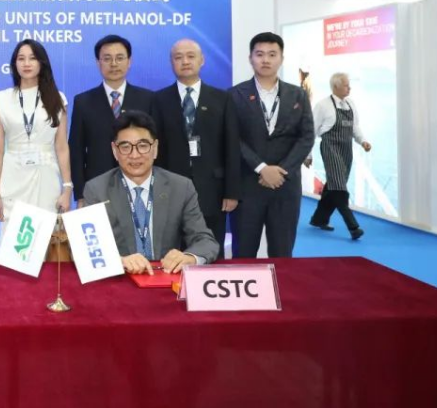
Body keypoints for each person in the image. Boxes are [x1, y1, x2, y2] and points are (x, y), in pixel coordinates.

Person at [83, 111, 218, 274]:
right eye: (125, 147)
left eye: (142, 146)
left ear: (155, 148)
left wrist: (189, 257)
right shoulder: (96, 189)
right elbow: (85, 248)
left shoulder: (181, 187)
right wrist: (118, 261)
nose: (134, 155)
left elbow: (205, 240)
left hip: (165, 277)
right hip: (121, 278)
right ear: (114, 151)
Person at [153, 39, 240, 257]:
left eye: (191, 56)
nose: (185, 61)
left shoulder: (222, 98)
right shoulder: (158, 100)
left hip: (213, 190)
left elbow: (231, 147)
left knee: (211, 250)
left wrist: (231, 192)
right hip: (169, 189)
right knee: (172, 252)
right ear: (171, 63)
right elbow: (155, 149)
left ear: (202, 60)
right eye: (178, 57)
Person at [230, 32, 314, 258]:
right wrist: (261, 168)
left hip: (285, 186)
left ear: (281, 59)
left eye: (272, 54)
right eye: (259, 54)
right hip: (248, 185)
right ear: (250, 58)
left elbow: (307, 137)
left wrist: (282, 171)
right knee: (243, 253)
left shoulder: (298, 95)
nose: (265, 60)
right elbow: (232, 138)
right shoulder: (235, 95)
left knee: (283, 253)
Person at [0, 39, 72, 229]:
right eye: (21, 59)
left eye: (32, 58)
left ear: (42, 63)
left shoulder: (57, 98)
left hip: (46, 178)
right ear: (14, 64)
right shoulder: (1, 99)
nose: (26, 63)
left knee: (47, 237)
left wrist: (67, 188)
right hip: (12, 178)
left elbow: (61, 147)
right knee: (14, 240)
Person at [69, 34, 155, 206]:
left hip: (140, 185)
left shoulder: (148, 99)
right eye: (107, 59)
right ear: (98, 63)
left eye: (119, 58)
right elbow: (76, 151)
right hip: (97, 188)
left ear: (129, 61)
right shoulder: (83, 101)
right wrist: (80, 194)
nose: (114, 64)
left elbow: (155, 146)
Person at [309, 72, 372, 240]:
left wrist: (363, 141)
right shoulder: (322, 105)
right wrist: (307, 155)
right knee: (339, 188)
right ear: (336, 86)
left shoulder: (350, 104)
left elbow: (355, 127)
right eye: (346, 85)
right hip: (330, 148)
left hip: (346, 150)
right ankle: (353, 227)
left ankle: (318, 219)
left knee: (334, 186)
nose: (349, 88)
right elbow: (311, 131)